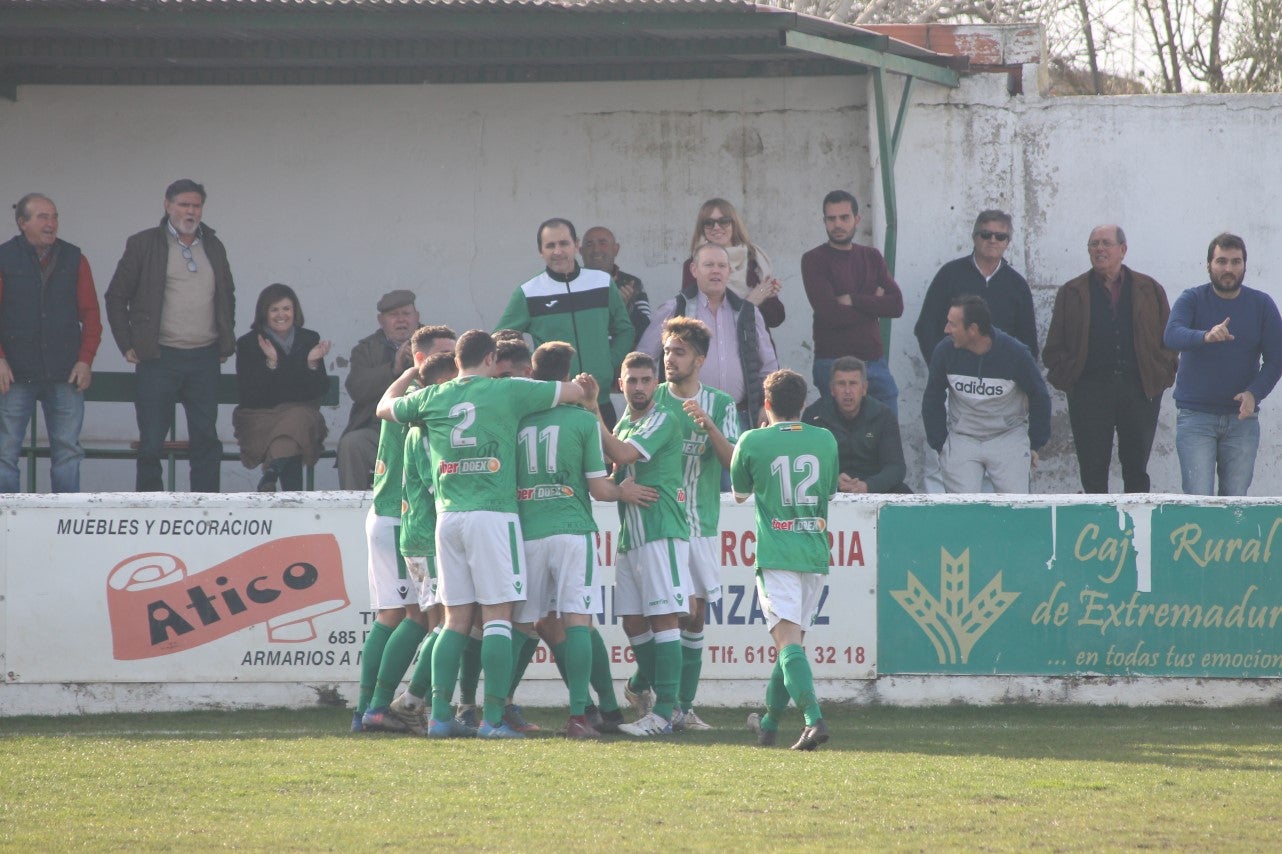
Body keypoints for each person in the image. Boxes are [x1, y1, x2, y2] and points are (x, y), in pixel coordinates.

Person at [377, 329, 590, 739]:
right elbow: (572, 393)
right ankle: (492, 719)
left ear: (456, 361)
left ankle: (439, 716)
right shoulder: (507, 391)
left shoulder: (432, 397)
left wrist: (405, 378)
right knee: (497, 615)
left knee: (454, 618)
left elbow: (385, 409)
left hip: (448, 518)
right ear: (492, 358)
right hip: (493, 515)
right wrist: (582, 388)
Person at [512, 342, 656, 738]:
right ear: (567, 376)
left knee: (524, 623)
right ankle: (579, 715)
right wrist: (622, 491)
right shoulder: (582, 421)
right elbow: (599, 488)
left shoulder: (517, 418)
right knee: (577, 620)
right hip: (571, 530)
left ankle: (496, 708)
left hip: (527, 531)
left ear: (532, 375)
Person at [623, 317, 737, 731]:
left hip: (701, 522)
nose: (670, 359)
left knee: (694, 617)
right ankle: (668, 700)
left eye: (679, 352)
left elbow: (734, 466)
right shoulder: (650, 399)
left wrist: (709, 427)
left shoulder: (721, 404)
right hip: (661, 522)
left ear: (700, 360)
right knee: (672, 612)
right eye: (667, 351)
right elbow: (624, 452)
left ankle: (672, 701)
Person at [354, 325, 455, 734]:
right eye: (446, 355)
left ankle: (371, 710)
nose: (455, 363)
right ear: (420, 361)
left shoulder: (404, 397)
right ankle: (381, 706)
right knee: (416, 617)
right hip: (402, 516)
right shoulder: (423, 401)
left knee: (396, 614)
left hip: (389, 514)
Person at [104, 178, 235, 492]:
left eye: (196, 205)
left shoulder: (213, 245)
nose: (190, 211)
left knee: (205, 439)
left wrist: (225, 340)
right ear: (168, 205)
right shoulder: (144, 243)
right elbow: (115, 296)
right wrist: (127, 343)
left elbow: (227, 295)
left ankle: (207, 509)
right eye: (184, 205)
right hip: (159, 357)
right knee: (151, 441)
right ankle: (149, 509)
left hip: (204, 356)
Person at [732, 369, 838, 750]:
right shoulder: (825, 439)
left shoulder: (752, 440)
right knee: (790, 646)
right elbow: (830, 491)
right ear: (804, 404)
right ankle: (769, 724)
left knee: (787, 644)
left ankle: (814, 720)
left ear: (767, 404)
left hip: (777, 554)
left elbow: (741, 493)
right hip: (813, 553)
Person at [590, 351, 691, 736]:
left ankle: (664, 712)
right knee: (633, 621)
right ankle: (663, 701)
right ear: (621, 385)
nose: (639, 387)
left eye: (646, 379)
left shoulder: (663, 418)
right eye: (631, 380)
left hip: (661, 529)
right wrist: (620, 490)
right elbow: (614, 472)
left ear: (656, 384)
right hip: (633, 535)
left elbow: (622, 454)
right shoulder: (627, 423)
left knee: (664, 619)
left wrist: (589, 409)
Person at [1043, 225, 1177, 493]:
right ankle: (1096, 532)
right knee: (1092, 472)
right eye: (1093, 244)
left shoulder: (1149, 289)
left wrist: (1162, 373)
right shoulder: (1072, 291)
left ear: (1123, 250)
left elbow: (1168, 339)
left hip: (1140, 391)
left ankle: (1136, 531)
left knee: (1136, 470)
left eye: (1105, 243)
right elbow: (1054, 345)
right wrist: (1069, 380)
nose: (1099, 249)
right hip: (1089, 392)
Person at [1163, 233, 1282, 496]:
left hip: (1242, 419)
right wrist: (1204, 336)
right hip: (1196, 418)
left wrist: (1254, 393)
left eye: (1236, 262)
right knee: (1198, 501)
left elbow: (1276, 358)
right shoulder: (1192, 298)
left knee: (1235, 504)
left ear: (1244, 265)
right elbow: (1171, 335)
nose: (1228, 269)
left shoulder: (1261, 305)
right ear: (1209, 265)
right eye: (1221, 261)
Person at [0, 193, 102, 494]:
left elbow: (92, 314)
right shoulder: (4, 257)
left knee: (68, 453)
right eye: (43, 217)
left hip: (65, 371)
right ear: (22, 222)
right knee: (5, 453)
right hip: (15, 374)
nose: (51, 223)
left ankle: (65, 524)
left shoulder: (75, 258)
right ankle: (6, 525)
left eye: (54, 216)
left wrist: (86, 360)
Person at [496, 218, 634, 427]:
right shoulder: (529, 291)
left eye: (563, 243)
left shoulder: (602, 282)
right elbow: (500, 340)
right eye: (550, 245)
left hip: (599, 401)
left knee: (604, 461)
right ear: (540, 251)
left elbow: (625, 330)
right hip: (553, 404)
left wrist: (608, 362)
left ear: (576, 245)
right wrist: (530, 370)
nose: (557, 251)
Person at [639, 243, 778, 430]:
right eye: (709, 265)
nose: (716, 271)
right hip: (684, 415)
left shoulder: (748, 313)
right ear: (694, 270)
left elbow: (769, 367)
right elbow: (643, 358)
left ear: (729, 271)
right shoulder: (675, 309)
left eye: (722, 266)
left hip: (738, 416)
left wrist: (765, 404)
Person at [923, 296, 1051, 493]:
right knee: (961, 510)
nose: (946, 330)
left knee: (1016, 508)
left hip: (1008, 437)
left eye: (952, 324)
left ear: (972, 329)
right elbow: (932, 398)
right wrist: (940, 444)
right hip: (962, 437)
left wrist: (1034, 443)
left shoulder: (1015, 353)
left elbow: (1040, 396)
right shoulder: (945, 351)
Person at [801, 190, 904, 414]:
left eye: (844, 217)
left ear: (857, 219)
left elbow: (896, 305)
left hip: (874, 363)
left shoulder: (872, 256)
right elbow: (831, 315)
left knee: (886, 437)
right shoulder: (814, 260)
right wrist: (873, 302)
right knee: (841, 442)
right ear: (824, 221)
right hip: (833, 364)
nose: (838, 224)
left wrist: (853, 300)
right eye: (831, 218)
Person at [231, 284, 331, 492]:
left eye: (286, 308)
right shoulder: (249, 343)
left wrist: (312, 363)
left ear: (295, 311)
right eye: (274, 309)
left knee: (297, 419)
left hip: (301, 416)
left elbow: (318, 389)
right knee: (294, 429)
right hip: (259, 418)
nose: (281, 315)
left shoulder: (309, 339)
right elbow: (253, 394)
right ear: (264, 313)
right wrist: (272, 364)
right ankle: (287, 491)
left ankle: (271, 474)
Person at [914, 210, 1039, 362]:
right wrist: (941, 367)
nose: (993, 240)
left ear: (1007, 243)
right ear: (974, 238)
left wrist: (1014, 375)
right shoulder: (949, 275)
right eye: (986, 234)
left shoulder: (1018, 285)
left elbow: (1028, 341)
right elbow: (926, 326)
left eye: (1000, 236)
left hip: (1001, 378)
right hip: (954, 374)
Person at [336, 290, 425, 490]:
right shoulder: (366, 349)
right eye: (393, 315)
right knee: (352, 444)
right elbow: (356, 389)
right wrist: (393, 369)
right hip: (379, 430)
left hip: (427, 426)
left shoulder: (435, 340)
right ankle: (353, 510)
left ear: (417, 316)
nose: (401, 320)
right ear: (381, 320)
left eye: (406, 314)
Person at [802, 356, 908, 493]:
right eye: (841, 384)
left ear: (864, 388)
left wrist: (868, 486)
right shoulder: (814, 416)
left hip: (871, 487)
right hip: (828, 489)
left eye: (853, 383)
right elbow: (805, 461)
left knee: (903, 492)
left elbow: (896, 467)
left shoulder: (883, 415)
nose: (847, 391)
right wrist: (831, 479)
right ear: (832, 389)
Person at [679, 198, 784, 330]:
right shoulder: (694, 265)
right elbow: (691, 317)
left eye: (724, 221)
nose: (716, 227)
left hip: (753, 345)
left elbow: (776, 318)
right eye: (709, 223)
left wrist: (767, 298)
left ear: (734, 225)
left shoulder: (754, 261)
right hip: (711, 346)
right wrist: (749, 304)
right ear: (702, 228)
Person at [582, 225, 650, 346]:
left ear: (616, 249)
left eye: (602, 243)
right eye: (589, 244)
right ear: (581, 251)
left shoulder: (631, 283)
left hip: (625, 362)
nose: (596, 249)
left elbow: (647, 333)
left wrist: (627, 307)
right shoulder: (573, 284)